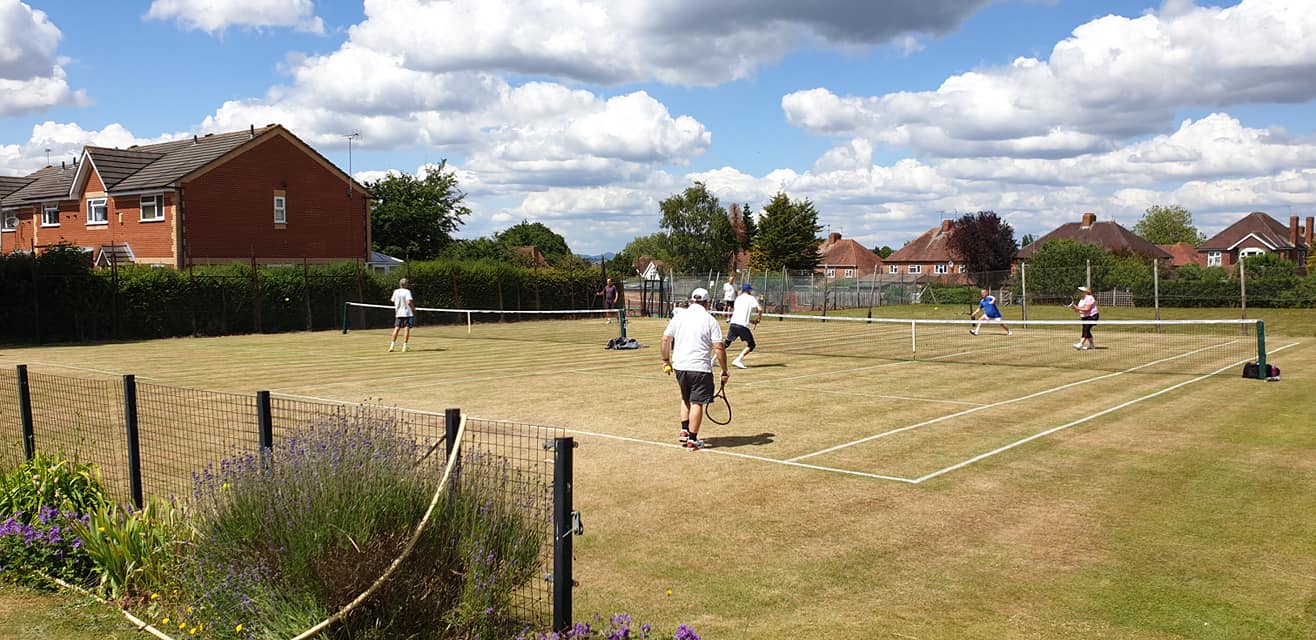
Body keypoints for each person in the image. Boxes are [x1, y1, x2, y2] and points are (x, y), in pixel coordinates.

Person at [661, 287, 729, 451]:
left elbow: (665, 340)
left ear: (692, 300)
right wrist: (725, 370)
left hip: (680, 366)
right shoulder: (710, 320)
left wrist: (665, 361)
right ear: (707, 302)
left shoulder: (679, 317)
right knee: (697, 402)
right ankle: (692, 439)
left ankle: (684, 431)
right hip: (700, 368)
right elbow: (719, 348)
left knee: (685, 398)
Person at [725, 283, 762, 369]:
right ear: (749, 291)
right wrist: (759, 318)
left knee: (727, 343)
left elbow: (740, 313)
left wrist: (751, 321)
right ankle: (738, 360)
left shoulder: (738, 298)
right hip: (742, 325)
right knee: (751, 344)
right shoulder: (751, 298)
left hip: (733, 323)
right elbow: (760, 309)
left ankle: (714, 359)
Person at [389, 278, 416, 352]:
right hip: (407, 313)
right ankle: (405, 346)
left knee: (396, 328)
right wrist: (413, 308)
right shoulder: (407, 292)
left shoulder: (396, 291)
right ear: (406, 284)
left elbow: (392, 300)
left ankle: (392, 346)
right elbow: (409, 302)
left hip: (398, 313)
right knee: (406, 328)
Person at [1069, 285, 1099, 350]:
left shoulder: (1090, 298)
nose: (1080, 292)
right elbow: (1078, 310)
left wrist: (1077, 307)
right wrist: (1074, 308)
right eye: (1079, 291)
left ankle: (1080, 344)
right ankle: (1092, 345)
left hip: (1092, 316)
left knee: (1086, 330)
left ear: (1085, 292)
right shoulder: (1082, 299)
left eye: (1081, 291)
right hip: (1085, 317)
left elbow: (1087, 309)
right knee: (1087, 330)